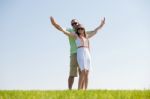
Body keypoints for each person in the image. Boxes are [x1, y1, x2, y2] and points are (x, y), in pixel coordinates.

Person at [50, 16, 105, 90]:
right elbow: (61, 29)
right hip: (74, 53)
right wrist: (54, 24)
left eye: (75, 23)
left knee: (83, 72)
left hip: (84, 54)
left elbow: (94, 31)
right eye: (72, 24)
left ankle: (81, 90)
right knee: (72, 73)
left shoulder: (83, 32)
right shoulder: (71, 31)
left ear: (78, 24)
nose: (74, 25)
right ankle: (70, 90)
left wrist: (101, 25)